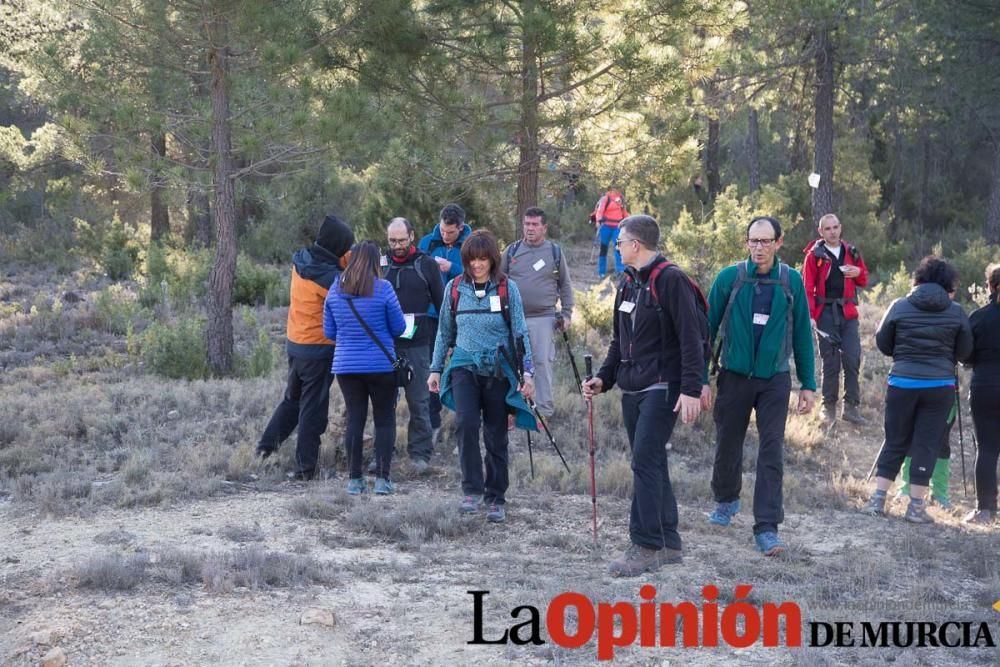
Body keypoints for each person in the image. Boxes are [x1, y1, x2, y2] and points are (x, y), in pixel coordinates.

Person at [581, 215, 709, 577]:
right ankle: (668, 541)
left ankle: (646, 544)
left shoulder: (670, 280)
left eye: (620, 242)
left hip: (662, 388)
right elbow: (619, 343)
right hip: (632, 387)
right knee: (651, 462)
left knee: (644, 461)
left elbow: (691, 340)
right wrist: (603, 380)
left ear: (635, 245)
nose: (617, 247)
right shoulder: (627, 283)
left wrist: (690, 389)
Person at [705, 216, 816, 556]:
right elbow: (705, 331)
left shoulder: (790, 281)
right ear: (746, 242)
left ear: (779, 243)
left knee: (771, 451)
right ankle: (726, 501)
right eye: (753, 240)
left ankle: (767, 527)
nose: (759, 247)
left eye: (766, 241)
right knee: (728, 443)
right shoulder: (729, 278)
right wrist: (698, 380)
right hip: (734, 376)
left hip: (774, 380)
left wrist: (808, 384)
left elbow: (801, 336)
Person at [427, 230, 536, 523]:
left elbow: (520, 332)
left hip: (498, 369)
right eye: (472, 259)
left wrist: (528, 372)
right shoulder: (454, 288)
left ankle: (496, 497)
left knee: (496, 434)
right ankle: (472, 491)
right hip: (463, 366)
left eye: (483, 259)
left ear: (492, 259)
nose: (477, 264)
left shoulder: (505, 288)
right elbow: (444, 332)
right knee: (465, 424)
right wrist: (436, 368)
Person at [863, 256, 973, 523]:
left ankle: (878, 500)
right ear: (948, 283)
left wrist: (903, 356)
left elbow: (883, 342)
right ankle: (915, 508)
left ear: (918, 278)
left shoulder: (899, 305)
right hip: (939, 386)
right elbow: (965, 350)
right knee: (927, 443)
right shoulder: (956, 311)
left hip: (902, 382)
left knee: (895, 439)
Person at [257, 214, 354, 480]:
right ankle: (305, 469)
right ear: (338, 247)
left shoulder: (302, 260)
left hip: (296, 343)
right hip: (319, 349)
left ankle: (264, 448)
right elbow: (351, 298)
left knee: (292, 400)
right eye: (346, 248)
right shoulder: (329, 278)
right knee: (313, 409)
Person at [323, 240, 406, 496]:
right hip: (381, 366)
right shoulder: (383, 288)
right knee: (384, 420)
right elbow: (399, 328)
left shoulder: (335, 290)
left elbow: (329, 331)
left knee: (355, 420)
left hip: (347, 367)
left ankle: (355, 480)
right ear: (374, 261)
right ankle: (382, 479)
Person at [499, 207, 574, 417]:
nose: (530, 228)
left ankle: (543, 412)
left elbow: (566, 285)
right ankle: (514, 411)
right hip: (514, 319)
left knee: (541, 363)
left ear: (544, 227)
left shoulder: (554, 253)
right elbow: (498, 283)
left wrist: (567, 314)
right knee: (512, 365)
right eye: (526, 224)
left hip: (544, 318)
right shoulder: (511, 251)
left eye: (534, 225)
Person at [382, 217, 444, 471]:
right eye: (392, 241)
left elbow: (442, 306)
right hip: (386, 345)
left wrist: (445, 341)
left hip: (418, 344)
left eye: (402, 240)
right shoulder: (380, 263)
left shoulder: (426, 264)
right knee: (385, 401)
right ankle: (383, 452)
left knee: (419, 400)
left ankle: (420, 454)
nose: (397, 246)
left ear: (412, 237)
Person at [802, 213, 869, 423]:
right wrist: (810, 316)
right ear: (821, 232)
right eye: (827, 228)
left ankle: (851, 408)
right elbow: (807, 288)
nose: (832, 231)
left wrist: (857, 271)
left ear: (841, 228)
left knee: (852, 357)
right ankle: (827, 408)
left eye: (835, 227)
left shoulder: (852, 252)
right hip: (825, 313)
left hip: (848, 312)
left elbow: (864, 280)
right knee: (830, 361)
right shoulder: (815, 255)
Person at [418, 203, 471, 439]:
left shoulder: (472, 244)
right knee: (431, 366)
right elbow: (414, 266)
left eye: (450, 232)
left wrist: (452, 268)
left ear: (460, 228)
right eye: (442, 230)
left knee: (462, 367)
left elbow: (478, 273)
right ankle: (432, 420)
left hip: (463, 314)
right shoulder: (428, 242)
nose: (445, 235)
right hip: (430, 314)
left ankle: (465, 418)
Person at [963, 262, 1000, 524]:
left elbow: (966, 355)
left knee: (986, 448)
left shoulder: (978, 317)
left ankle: (985, 510)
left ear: (990, 286)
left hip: (985, 384)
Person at [589, 188, 629, 277]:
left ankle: (620, 271)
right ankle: (601, 272)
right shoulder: (605, 198)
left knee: (618, 248)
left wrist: (629, 220)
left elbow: (624, 212)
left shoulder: (621, 199)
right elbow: (600, 211)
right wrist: (598, 221)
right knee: (603, 249)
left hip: (617, 227)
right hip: (605, 227)